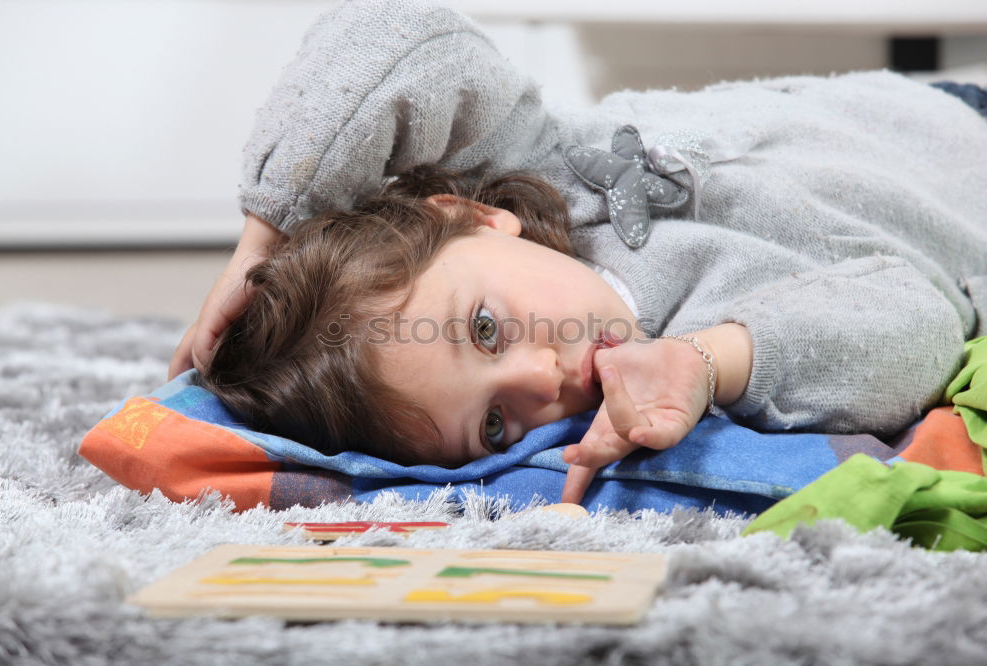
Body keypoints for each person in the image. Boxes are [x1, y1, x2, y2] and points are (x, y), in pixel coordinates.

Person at [169, 0, 987, 505]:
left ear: (471, 215)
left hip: (925, 108)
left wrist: (267, 230)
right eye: (494, 426)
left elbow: (394, 37)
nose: (542, 384)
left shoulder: (527, 157)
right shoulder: (691, 339)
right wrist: (711, 360)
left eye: (485, 329)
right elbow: (915, 318)